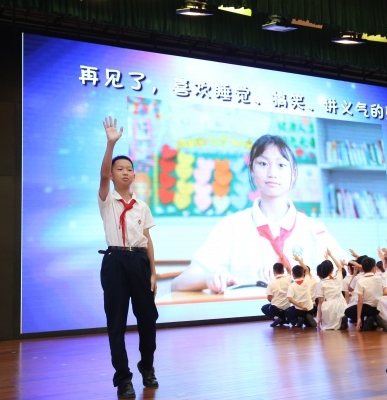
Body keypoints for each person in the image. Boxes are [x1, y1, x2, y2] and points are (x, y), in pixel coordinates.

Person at [171, 134, 346, 293]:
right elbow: (179, 283)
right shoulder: (230, 226)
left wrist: (310, 278)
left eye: (281, 165)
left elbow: (345, 273)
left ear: (293, 173)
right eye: (263, 164)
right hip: (245, 316)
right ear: (252, 171)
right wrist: (209, 279)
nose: (272, 173)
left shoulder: (313, 229)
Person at [99, 116, 159, 399]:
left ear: (134, 175)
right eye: (119, 169)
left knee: (148, 318)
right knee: (117, 322)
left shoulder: (141, 206)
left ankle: (147, 366)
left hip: (139, 262)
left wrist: (153, 272)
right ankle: (123, 379)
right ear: (112, 175)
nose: (124, 172)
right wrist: (111, 144)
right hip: (114, 261)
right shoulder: (107, 200)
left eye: (129, 169)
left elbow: (147, 240)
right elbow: (102, 177)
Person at [344, 257, 384, 331]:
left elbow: (360, 301)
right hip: (380, 307)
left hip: (367, 307)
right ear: (374, 268)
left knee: (347, 311)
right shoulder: (380, 278)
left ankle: (366, 319)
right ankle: (371, 319)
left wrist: (358, 318)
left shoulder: (361, 280)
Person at [314, 249, 348, 330]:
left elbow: (320, 302)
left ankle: (338, 323)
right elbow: (339, 266)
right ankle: (341, 321)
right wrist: (330, 255)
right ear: (332, 269)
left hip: (329, 306)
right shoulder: (338, 277)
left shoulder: (321, 283)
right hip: (340, 305)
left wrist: (319, 318)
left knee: (327, 327)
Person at [261, 260, 292, 327]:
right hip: (287, 308)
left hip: (276, 309)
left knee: (264, 308)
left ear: (274, 272)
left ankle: (277, 319)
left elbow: (269, 298)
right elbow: (289, 270)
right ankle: (284, 319)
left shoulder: (271, 283)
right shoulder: (288, 279)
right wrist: (283, 260)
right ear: (283, 271)